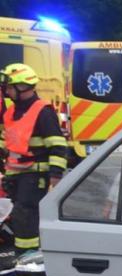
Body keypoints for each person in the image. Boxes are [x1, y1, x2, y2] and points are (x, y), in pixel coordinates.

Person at [0, 63, 68, 265]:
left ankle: (30, 261)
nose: (6, 91)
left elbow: (57, 145)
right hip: (15, 175)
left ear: (22, 87)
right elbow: (7, 140)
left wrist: (55, 176)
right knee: (19, 218)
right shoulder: (12, 112)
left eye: (9, 87)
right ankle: (25, 259)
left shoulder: (42, 112)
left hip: (35, 175)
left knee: (25, 216)